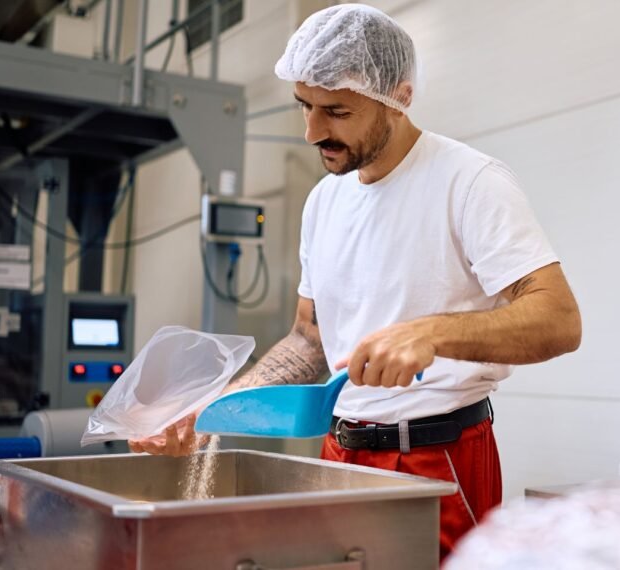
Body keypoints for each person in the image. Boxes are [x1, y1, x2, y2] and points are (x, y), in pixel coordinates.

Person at [129, 3, 582, 558]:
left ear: (399, 97)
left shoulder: (469, 183)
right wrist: (215, 407)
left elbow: (558, 318)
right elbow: (309, 338)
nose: (313, 131)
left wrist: (433, 334)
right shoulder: (324, 200)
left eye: (336, 111)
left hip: (437, 457)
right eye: (305, 107)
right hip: (338, 452)